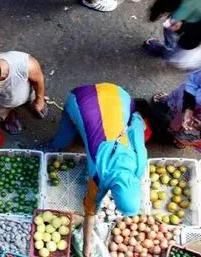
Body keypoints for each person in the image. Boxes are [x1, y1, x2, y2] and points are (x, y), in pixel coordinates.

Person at [48, 83, 147, 257]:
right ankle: (60, 139)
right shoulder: (98, 173)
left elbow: (137, 125)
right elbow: (90, 210)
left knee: (97, 128)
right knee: (62, 142)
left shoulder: (139, 166)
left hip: (119, 94)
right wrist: (87, 248)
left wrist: (135, 118)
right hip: (80, 99)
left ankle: (83, 127)